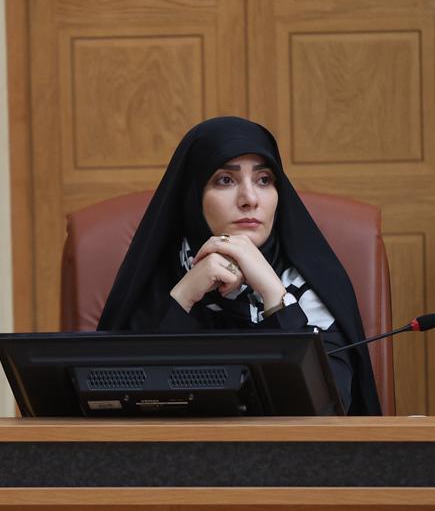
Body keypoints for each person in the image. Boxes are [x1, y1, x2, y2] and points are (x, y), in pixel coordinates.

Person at [97, 116, 382, 415]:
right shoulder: (154, 281)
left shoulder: (310, 285)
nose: (250, 199)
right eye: (225, 180)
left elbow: (328, 412)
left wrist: (274, 294)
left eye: (264, 180)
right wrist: (184, 296)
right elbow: (118, 406)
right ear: (193, 194)